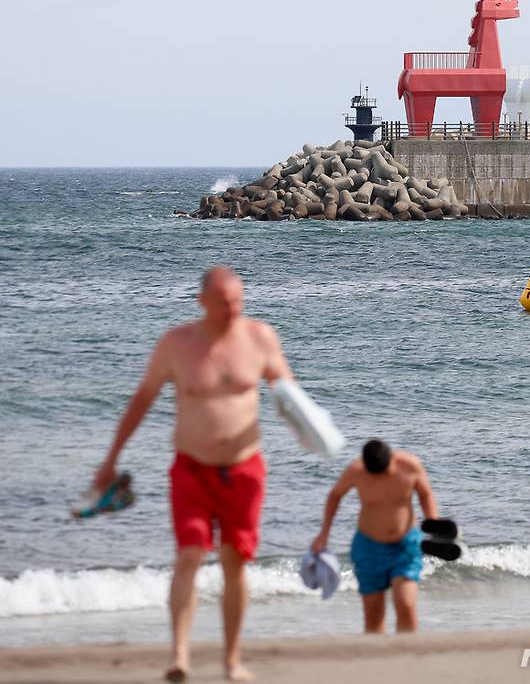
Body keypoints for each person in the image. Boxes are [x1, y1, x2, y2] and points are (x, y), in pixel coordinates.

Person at [93, 266, 293, 682]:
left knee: (235, 562)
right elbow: (142, 400)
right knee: (189, 555)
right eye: (223, 303)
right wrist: (111, 458)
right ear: (202, 301)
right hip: (191, 469)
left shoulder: (260, 338)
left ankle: (232, 659)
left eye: (238, 302)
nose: (232, 310)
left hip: (244, 470)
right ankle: (179, 655)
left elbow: (290, 397)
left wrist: (317, 434)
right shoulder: (177, 344)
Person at [311, 439, 438, 634]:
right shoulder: (356, 471)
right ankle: (380, 659)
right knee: (373, 614)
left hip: (405, 546)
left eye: (385, 472)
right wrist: (324, 534)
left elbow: (425, 493)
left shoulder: (410, 466)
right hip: (369, 548)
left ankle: (408, 655)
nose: (380, 478)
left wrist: (433, 522)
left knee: (406, 604)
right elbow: (335, 495)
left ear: (392, 460)